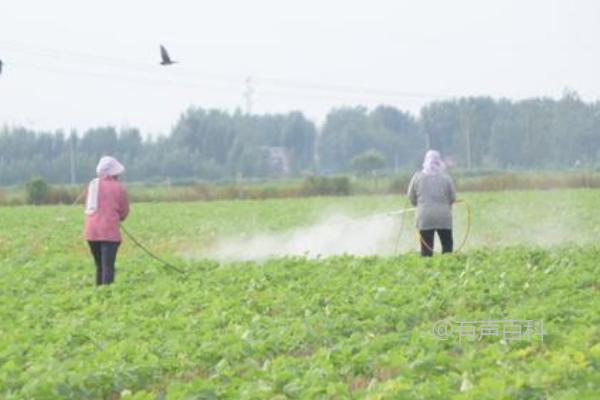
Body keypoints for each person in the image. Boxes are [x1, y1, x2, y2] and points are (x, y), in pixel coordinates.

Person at [84, 156, 129, 285]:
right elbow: (124, 212)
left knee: (99, 266)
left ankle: (99, 296)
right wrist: (117, 218)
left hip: (91, 233)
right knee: (108, 267)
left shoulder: (93, 185)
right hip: (109, 234)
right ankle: (107, 297)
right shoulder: (120, 188)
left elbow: (88, 207)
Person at [407, 150, 456, 257]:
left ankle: (427, 268)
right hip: (444, 218)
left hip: (424, 218)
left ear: (425, 162)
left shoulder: (417, 177)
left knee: (426, 249)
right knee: (447, 245)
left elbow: (411, 197)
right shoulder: (446, 178)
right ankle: (447, 266)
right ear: (440, 162)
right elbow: (452, 198)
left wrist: (419, 205)